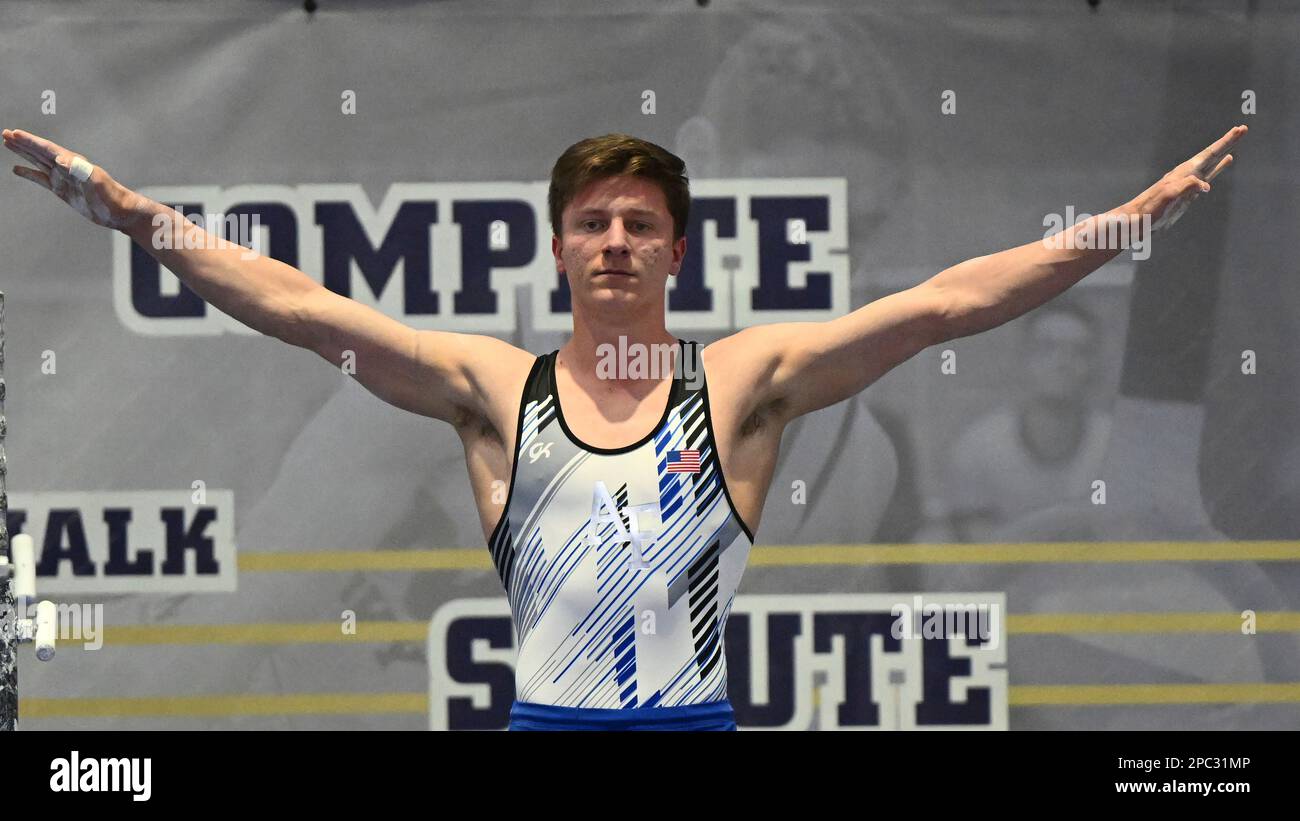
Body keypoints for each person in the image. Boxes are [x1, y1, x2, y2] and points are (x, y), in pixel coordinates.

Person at [2, 125, 1246, 730]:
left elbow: (946, 303)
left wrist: (1127, 222)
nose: (613, 242)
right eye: (591, 222)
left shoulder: (748, 380)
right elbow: (296, 305)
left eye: (637, 224)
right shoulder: (492, 387)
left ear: (674, 249)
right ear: (558, 248)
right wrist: (127, 212)